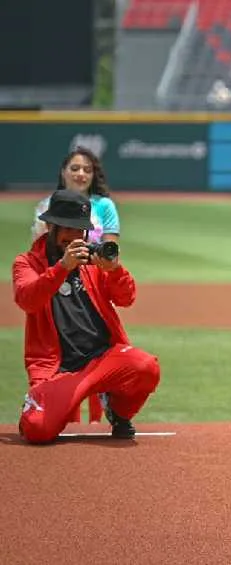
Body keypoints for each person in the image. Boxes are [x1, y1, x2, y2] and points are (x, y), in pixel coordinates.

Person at [13, 190, 161, 444]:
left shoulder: (92, 261)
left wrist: (114, 271)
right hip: (59, 369)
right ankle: (37, 404)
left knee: (146, 367)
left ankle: (117, 410)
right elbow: (28, 299)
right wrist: (62, 267)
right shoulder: (27, 263)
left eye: (79, 230)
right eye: (67, 228)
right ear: (50, 227)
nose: (74, 236)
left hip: (102, 358)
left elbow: (126, 298)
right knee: (37, 430)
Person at [32, 147, 123, 425]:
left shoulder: (104, 205)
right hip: (59, 282)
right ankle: (65, 418)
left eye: (87, 169)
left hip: (91, 282)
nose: (81, 174)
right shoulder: (47, 205)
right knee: (64, 352)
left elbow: (110, 250)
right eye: (75, 168)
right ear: (63, 172)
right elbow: (40, 249)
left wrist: (106, 267)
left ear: (94, 174)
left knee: (97, 344)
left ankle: (96, 421)